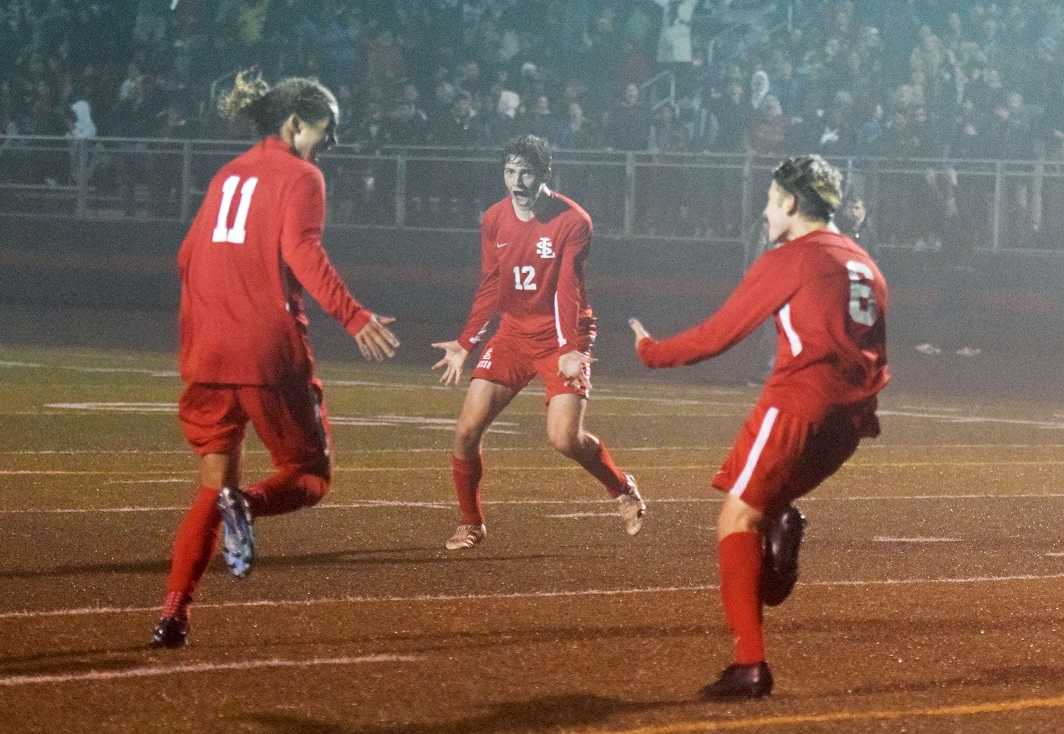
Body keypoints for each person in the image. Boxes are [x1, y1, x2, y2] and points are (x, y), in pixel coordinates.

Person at [150, 71, 400, 648]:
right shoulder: (302, 175)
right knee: (311, 475)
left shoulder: (226, 174)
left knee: (211, 485)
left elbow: (188, 255)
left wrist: (204, 330)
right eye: (326, 130)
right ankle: (249, 504)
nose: (331, 143)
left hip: (207, 354)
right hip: (266, 353)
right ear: (294, 124)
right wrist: (354, 316)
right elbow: (302, 251)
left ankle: (173, 614)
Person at [629, 155, 889, 698]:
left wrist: (650, 351)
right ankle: (780, 526)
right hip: (849, 421)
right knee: (759, 510)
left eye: (771, 200)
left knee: (735, 520)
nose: (766, 211)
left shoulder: (791, 258)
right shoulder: (864, 261)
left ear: (791, 203)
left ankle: (750, 665)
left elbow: (717, 335)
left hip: (798, 406)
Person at [432, 134, 646, 551]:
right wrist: (465, 341)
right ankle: (471, 523)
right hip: (513, 333)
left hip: (563, 335)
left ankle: (621, 487)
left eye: (526, 171)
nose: (517, 180)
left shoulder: (573, 221)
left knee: (565, 439)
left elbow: (568, 288)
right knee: (465, 432)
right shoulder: (494, 219)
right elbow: (491, 284)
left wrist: (569, 348)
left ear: (545, 174)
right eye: (510, 171)